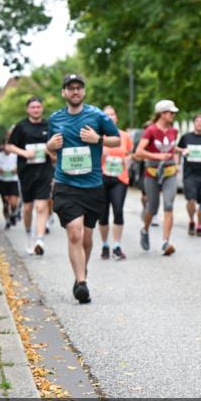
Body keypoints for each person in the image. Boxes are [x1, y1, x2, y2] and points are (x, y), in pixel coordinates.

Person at [45, 74, 121, 304]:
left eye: (78, 88)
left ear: (84, 92)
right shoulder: (55, 119)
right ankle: (81, 283)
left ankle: (82, 273)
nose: (75, 92)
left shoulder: (97, 115)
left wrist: (98, 139)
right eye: (70, 88)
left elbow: (117, 140)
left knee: (87, 237)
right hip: (66, 184)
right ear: (64, 93)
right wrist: (50, 145)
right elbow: (50, 148)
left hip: (92, 185)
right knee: (75, 232)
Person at [6, 96, 54, 256]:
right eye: (33, 107)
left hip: (44, 171)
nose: (36, 110)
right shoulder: (21, 127)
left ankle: (40, 240)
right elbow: (9, 146)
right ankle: (29, 234)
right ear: (28, 110)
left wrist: (50, 151)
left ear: (42, 109)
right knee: (28, 208)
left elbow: (55, 150)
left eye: (38, 107)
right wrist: (24, 153)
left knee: (42, 206)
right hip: (26, 172)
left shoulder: (49, 125)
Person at [133, 100, 180, 256]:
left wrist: (177, 160)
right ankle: (145, 230)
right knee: (152, 208)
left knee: (168, 205)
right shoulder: (150, 131)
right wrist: (158, 155)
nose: (173, 115)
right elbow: (139, 152)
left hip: (169, 172)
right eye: (171, 113)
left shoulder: (174, 131)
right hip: (152, 172)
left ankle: (166, 242)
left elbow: (172, 150)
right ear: (162, 114)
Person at [98, 105, 133, 261]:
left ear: (116, 118)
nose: (110, 117)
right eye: (107, 115)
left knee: (118, 210)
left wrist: (128, 160)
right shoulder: (98, 137)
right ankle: (105, 244)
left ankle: (117, 246)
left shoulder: (124, 136)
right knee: (103, 214)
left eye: (112, 114)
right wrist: (100, 153)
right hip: (102, 178)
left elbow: (130, 153)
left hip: (120, 178)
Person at [177, 114, 201, 237]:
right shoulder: (186, 138)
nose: (199, 123)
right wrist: (178, 158)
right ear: (194, 123)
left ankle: (199, 225)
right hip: (189, 174)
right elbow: (177, 150)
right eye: (197, 121)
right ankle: (191, 220)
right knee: (191, 200)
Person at [0, 134, 21, 229]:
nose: (8, 148)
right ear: (3, 146)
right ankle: (7, 220)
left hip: (13, 181)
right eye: (6, 145)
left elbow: (21, 167)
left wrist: (16, 169)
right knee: (5, 203)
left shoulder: (16, 156)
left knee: (13, 203)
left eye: (10, 145)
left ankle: (13, 213)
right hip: (3, 181)